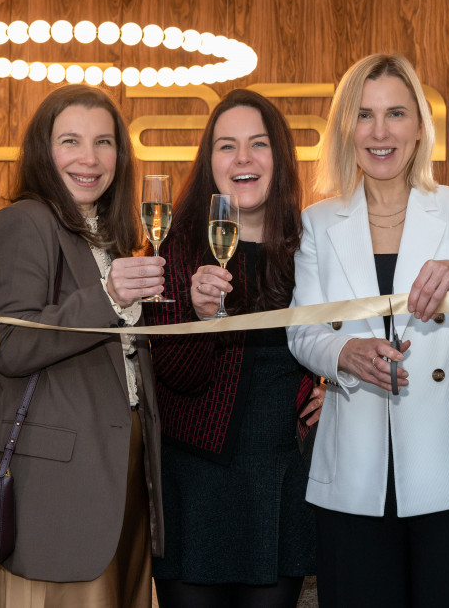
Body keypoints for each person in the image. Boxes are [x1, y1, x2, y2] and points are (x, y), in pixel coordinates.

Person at [286, 52, 449, 608]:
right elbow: (303, 332)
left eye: (396, 113)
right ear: (347, 128)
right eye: (365, 115)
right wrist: (345, 351)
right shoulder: (319, 222)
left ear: (420, 127)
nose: (380, 131)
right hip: (354, 471)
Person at [0, 84, 165, 607]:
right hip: (63, 484)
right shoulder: (25, 221)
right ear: (45, 150)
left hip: (124, 470)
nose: (89, 158)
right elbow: (15, 345)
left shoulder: (108, 234)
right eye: (71, 141)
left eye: (104, 143)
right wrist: (108, 296)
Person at [144, 89, 320, 608]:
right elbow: (172, 374)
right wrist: (202, 320)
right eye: (227, 146)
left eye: (258, 144)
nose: (243, 158)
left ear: (279, 158)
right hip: (196, 485)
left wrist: (332, 385)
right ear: (209, 163)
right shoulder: (175, 245)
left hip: (280, 482)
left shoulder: (309, 245)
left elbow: (333, 337)